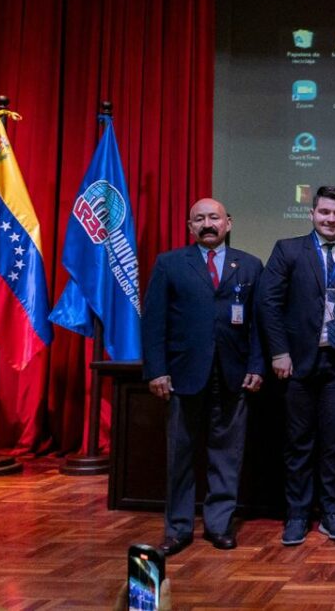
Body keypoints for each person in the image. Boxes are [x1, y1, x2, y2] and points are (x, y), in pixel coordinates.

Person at [141, 198, 264, 556]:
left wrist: (257, 366)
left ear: (228, 221)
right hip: (182, 375)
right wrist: (157, 370)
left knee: (227, 454)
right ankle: (178, 529)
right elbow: (154, 323)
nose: (207, 224)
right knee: (180, 454)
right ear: (189, 226)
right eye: (199, 219)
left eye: (214, 217)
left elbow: (259, 325)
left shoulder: (251, 266)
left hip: (233, 374)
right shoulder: (169, 264)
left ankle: (219, 525)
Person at [258, 185, 335, 546]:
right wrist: (278, 352)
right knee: (299, 443)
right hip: (298, 363)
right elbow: (268, 304)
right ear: (312, 214)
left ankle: (333, 513)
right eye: (325, 213)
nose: (331, 219)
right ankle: (298, 515)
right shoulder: (288, 250)